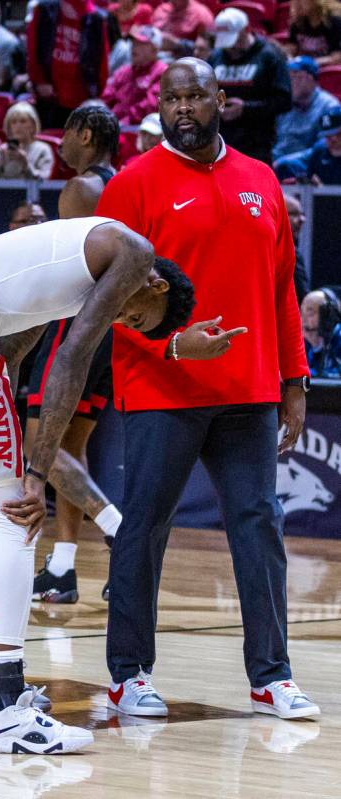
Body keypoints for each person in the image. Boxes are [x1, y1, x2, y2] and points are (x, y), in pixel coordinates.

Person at [0, 213, 197, 753]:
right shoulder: (134, 254)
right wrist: (35, 474)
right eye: (140, 318)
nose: (125, 320)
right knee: (17, 517)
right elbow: (72, 358)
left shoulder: (78, 269)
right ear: (155, 285)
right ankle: (4, 704)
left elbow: (18, 346)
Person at [96, 57, 320, 721]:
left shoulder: (260, 179)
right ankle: (127, 673)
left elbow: (281, 287)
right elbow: (102, 300)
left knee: (259, 524)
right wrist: (168, 342)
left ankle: (270, 676)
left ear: (219, 98)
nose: (184, 107)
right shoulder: (131, 185)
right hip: (161, 384)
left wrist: (294, 378)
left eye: (196, 95)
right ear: (159, 105)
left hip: (248, 389)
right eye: (172, 98)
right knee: (145, 525)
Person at [27, 105, 124, 604]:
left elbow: (64, 269)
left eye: (64, 132)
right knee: (72, 445)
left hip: (74, 325)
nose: (60, 143)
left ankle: (116, 527)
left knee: (35, 442)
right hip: (113, 330)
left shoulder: (81, 188)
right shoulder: (123, 184)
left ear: (85, 133)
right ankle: (63, 568)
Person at [209, 8, 292, 164]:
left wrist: (246, 109)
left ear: (246, 30)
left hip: (257, 144)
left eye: (234, 40)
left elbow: (284, 100)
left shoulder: (269, 56)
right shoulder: (216, 56)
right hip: (221, 143)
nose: (230, 47)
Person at [26, 0, 111, 129]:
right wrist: (39, 81)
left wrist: (96, 94)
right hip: (49, 97)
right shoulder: (44, 11)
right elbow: (32, 51)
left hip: (82, 100)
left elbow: (102, 61)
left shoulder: (96, 19)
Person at [273, 56, 340, 160]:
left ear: (312, 79)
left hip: (305, 166)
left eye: (297, 77)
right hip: (277, 159)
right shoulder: (284, 102)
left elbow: (324, 148)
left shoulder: (328, 106)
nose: (291, 83)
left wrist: (286, 161)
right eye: (289, 77)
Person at [101, 25, 166, 126]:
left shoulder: (162, 72)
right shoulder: (124, 70)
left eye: (140, 43)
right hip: (114, 122)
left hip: (139, 128)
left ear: (155, 49)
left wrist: (124, 121)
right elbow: (107, 96)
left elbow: (150, 105)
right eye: (134, 42)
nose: (134, 46)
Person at [0, 101, 54, 180]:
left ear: (33, 125)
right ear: (8, 127)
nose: (18, 126)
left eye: (23, 121)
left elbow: (45, 182)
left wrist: (26, 165)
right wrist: (0, 165)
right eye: (14, 122)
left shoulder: (43, 150)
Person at [274, 106, 341, 183]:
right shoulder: (320, 149)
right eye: (328, 135)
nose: (333, 139)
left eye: (338, 134)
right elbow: (286, 163)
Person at [287, 0, 341, 66]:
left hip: (327, 69)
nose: (297, 3)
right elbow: (292, 46)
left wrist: (309, 62)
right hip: (304, 70)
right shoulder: (297, 21)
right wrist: (288, 55)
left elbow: (337, 57)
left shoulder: (334, 21)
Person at [301, 288, 341, 376]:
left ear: (328, 316)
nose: (303, 319)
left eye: (310, 313)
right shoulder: (304, 345)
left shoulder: (339, 339)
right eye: (302, 312)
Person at [283, 191, 310, 304]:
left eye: (302, 214)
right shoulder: (288, 253)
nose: (302, 220)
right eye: (294, 214)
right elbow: (303, 297)